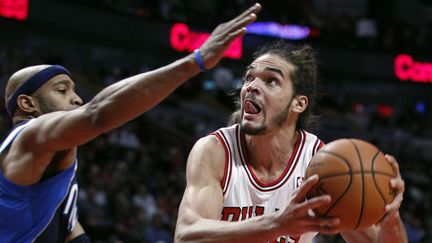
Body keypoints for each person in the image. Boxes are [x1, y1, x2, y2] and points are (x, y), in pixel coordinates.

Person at [0, 3, 262, 243]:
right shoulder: (29, 136)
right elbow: (98, 113)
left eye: (74, 89)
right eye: (61, 90)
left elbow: (68, 230)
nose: (77, 99)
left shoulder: (50, 164)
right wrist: (196, 61)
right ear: (27, 104)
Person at [174, 41, 407, 242]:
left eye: (271, 81)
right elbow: (186, 236)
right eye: (249, 77)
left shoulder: (321, 165)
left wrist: (390, 217)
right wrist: (277, 224)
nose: (252, 86)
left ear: (299, 103)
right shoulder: (216, 151)